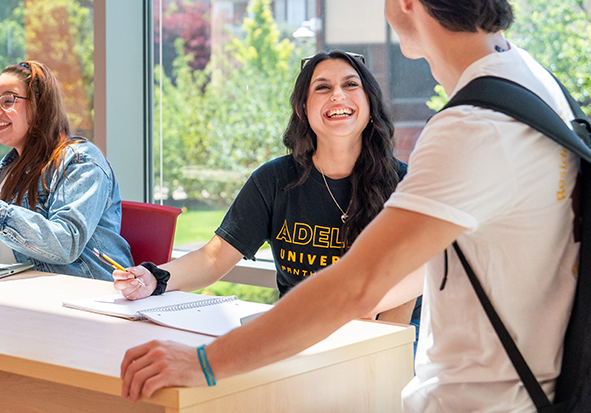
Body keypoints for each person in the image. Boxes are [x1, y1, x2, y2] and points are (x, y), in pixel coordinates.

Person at [120, 0, 580, 412]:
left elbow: (357, 285)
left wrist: (203, 363)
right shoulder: (537, 88)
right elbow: (418, 271)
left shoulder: (471, 128)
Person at [114, 50, 417, 326]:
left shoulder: (404, 183)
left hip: (380, 337)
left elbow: (408, 290)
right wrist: (155, 277)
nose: (337, 95)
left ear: (369, 102)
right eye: (322, 87)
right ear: (302, 109)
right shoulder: (274, 181)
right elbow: (213, 259)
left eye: (351, 85)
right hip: (297, 335)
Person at [0, 61, 133, 280]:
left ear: (40, 106)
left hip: (78, 297)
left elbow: (66, 243)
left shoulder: (82, 161)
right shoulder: (5, 171)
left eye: (7, 100)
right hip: (13, 295)